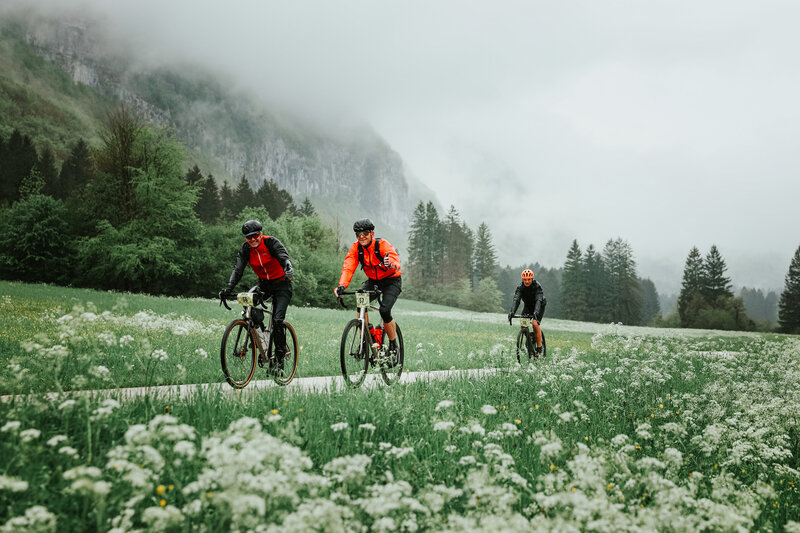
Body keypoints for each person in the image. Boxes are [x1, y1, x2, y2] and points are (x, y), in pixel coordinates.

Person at [220, 219, 294, 368]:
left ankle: (279, 362)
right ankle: (264, 338)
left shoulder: (271, 242)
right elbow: (238, 269)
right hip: (264, 285)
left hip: (282, 285)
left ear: (261, 234)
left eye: (255, 235)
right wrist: (228, 288)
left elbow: (283, 257)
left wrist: (287, 266)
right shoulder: (246, 248)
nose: (253, 239)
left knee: (278, 320)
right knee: (248, 307)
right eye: (249, 237)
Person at [334, 218, 402, 358]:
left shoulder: (382, 245)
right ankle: (365, 338)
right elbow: (348, 267)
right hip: (373, 281)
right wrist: (341, 285)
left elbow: (395, 261)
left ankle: (393, 345)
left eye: (365, 233)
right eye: (358, 234)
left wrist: (391, 263)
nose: (361, 237)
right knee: (361, 303)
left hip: (391, 281)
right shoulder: (356, 248)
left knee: (385, 310)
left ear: (372, 233)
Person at [508, 268, 545, 355]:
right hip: (528, 306)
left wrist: (536, 313)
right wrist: (512, 312)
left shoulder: (537, 287)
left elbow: (538, 301)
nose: (527, 281)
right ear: (522, 280)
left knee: (535, 324)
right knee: (523, 324)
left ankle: (539, 347)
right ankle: (530, 338)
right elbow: (516, 300)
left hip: (539, 306)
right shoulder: (520, 287)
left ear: (532, 279)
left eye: (529, 279)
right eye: (525, 280)